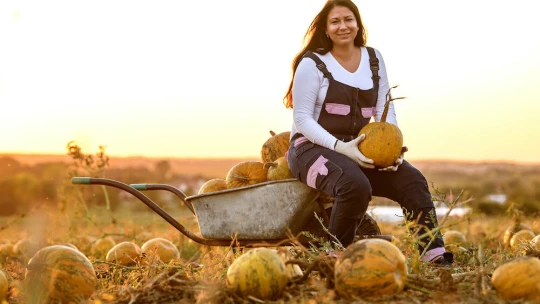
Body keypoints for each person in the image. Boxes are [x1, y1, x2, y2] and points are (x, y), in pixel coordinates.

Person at [283, 0, 452, 265]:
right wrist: (342, 148)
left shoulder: (373, 59)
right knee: (354, 185)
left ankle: (434, 255)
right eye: (335, 21)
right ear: (325, 29)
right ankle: (334, 257)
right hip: (310, 150)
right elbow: (302, 119)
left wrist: (392, 150)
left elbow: (386, 107)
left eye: (348, 19)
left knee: (413, 181)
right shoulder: (312, 63)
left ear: (358, 24)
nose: (343, 26)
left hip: (359, 149)